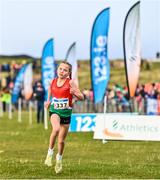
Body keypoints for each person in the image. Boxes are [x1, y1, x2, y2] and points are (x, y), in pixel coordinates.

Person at [44, 61, 84, 174]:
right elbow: (50, 90)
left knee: (61, 141)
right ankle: (49, 153)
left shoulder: (71, 83)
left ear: (69, 73)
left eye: (65, 70)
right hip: (54, 110)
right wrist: (48, 101)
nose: (62, 71)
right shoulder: (53, 81)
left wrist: (75, 93)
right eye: (60, 69)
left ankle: (59, 159)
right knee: (55, 129)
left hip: (66, 113)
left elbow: (82, 97)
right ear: (57, 70)